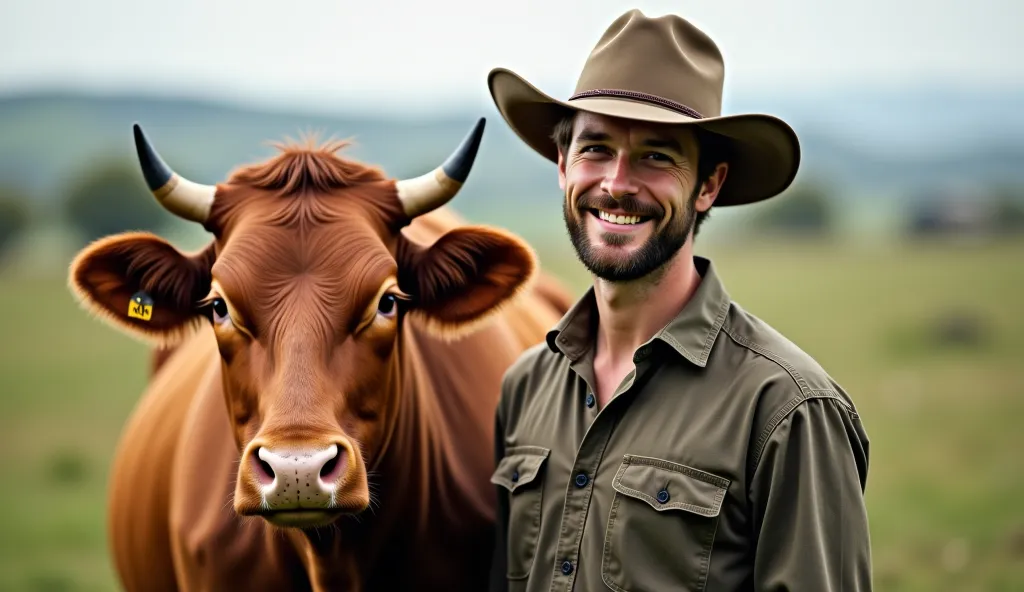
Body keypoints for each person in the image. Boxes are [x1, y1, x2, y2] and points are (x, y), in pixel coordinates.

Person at [485, 9, 873, 592]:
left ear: (708, 186)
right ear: (562, 166)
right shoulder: (525, 387)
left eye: (656, 156)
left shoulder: (787, 411)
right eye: (595, 149)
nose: (617, 183)